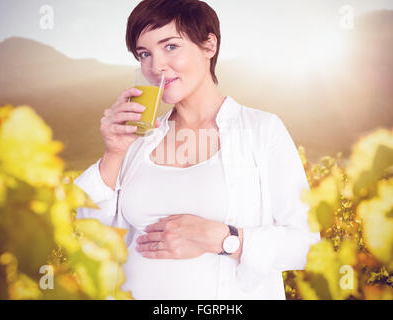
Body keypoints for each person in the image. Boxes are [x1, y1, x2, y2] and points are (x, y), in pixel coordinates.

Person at [74, 0, 320, 300]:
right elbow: (91, 235)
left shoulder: (261, 130)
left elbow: (306, 245)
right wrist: (113, 153)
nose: (156, 66)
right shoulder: (139, 140)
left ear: (209, 45)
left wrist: (223, 238)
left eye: (171, 46)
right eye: (144, 54)